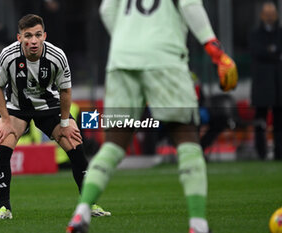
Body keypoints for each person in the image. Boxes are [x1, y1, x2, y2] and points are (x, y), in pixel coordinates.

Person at [67, 1, 237, 233]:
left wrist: (128, 38)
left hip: (122, 58)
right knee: (186, 136)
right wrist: (215, 50)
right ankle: (198, 224)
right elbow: (189, 5)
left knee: (114, 144)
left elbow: (106, 9)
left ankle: (81, 212)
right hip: (164, 57)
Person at [0, 14, 110, 220]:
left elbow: (65, 91)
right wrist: (6, 120)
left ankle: (89, 205)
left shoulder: (57, 56)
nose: (33, 41)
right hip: (17, 108)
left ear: (44, 36)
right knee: (2, 148)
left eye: (37, 35)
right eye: (28, 36)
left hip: (49, 107)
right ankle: (4, 208)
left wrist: (65, 123)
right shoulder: (8, 55)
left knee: (75, 146)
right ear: (20, 38)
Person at [249, 1, 282, 161]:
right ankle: (261, 152)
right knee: (260, 120)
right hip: (262, 85)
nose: (270, 17)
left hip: (279, 85)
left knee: (279, 120)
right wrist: (275, 53)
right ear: (262, 16)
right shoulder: (255, 34)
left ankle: (279, 153)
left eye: (273, 14)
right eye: (267, 14)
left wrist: (271, 52)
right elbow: (258, 52)